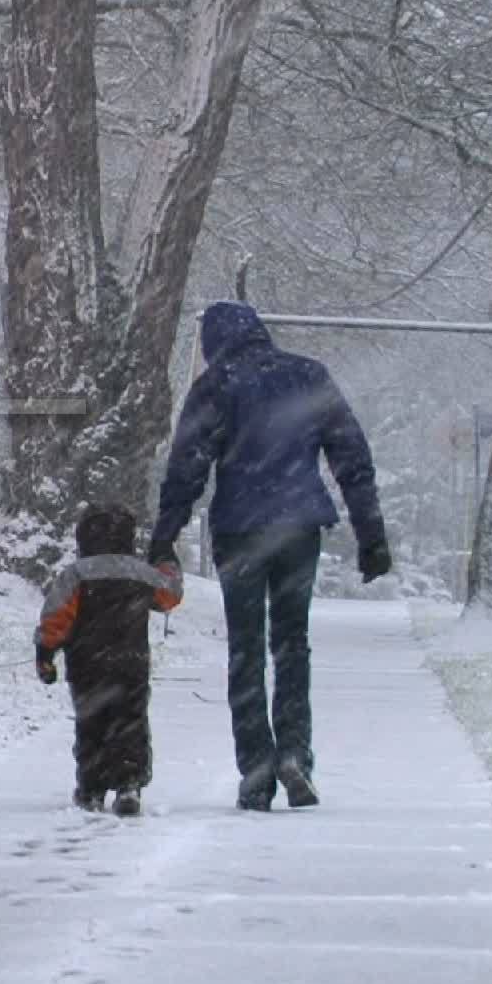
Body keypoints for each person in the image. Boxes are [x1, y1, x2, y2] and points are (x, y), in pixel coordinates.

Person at [148, 299, 392, 812]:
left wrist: (164, 535)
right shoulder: (307, 376)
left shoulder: (217, 386)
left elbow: (188, 466)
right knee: (292, 643)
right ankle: (295, 755)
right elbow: (352, 456)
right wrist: (371, 534)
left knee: (245, 649)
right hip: (298, 528)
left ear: (217, 343)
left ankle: (256, 767)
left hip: (240, 531)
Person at [34, 503, 184, 817]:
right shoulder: (140, 573)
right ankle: (129, 782)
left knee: (91, 723)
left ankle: (92, 787)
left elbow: (56, 618)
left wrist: (46, 654)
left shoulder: (76, 574)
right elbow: (169, 595)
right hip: (131, 662)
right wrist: (167, 560)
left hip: (87, 663)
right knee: (131, 721)